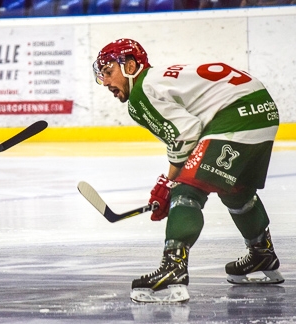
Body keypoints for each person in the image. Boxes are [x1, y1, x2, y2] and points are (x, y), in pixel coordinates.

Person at [93, 39, 283, 303]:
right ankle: (261, 253)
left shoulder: (141, 93)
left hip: (235, 114)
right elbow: (189, 135)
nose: (105, 83)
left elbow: (185, 135)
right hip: (262, 110)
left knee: (187, 191)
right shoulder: (158, 80)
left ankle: (173, 268)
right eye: (101, 75)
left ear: (131, 66)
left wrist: (168, 185)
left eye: (108, 72)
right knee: (233, 188)